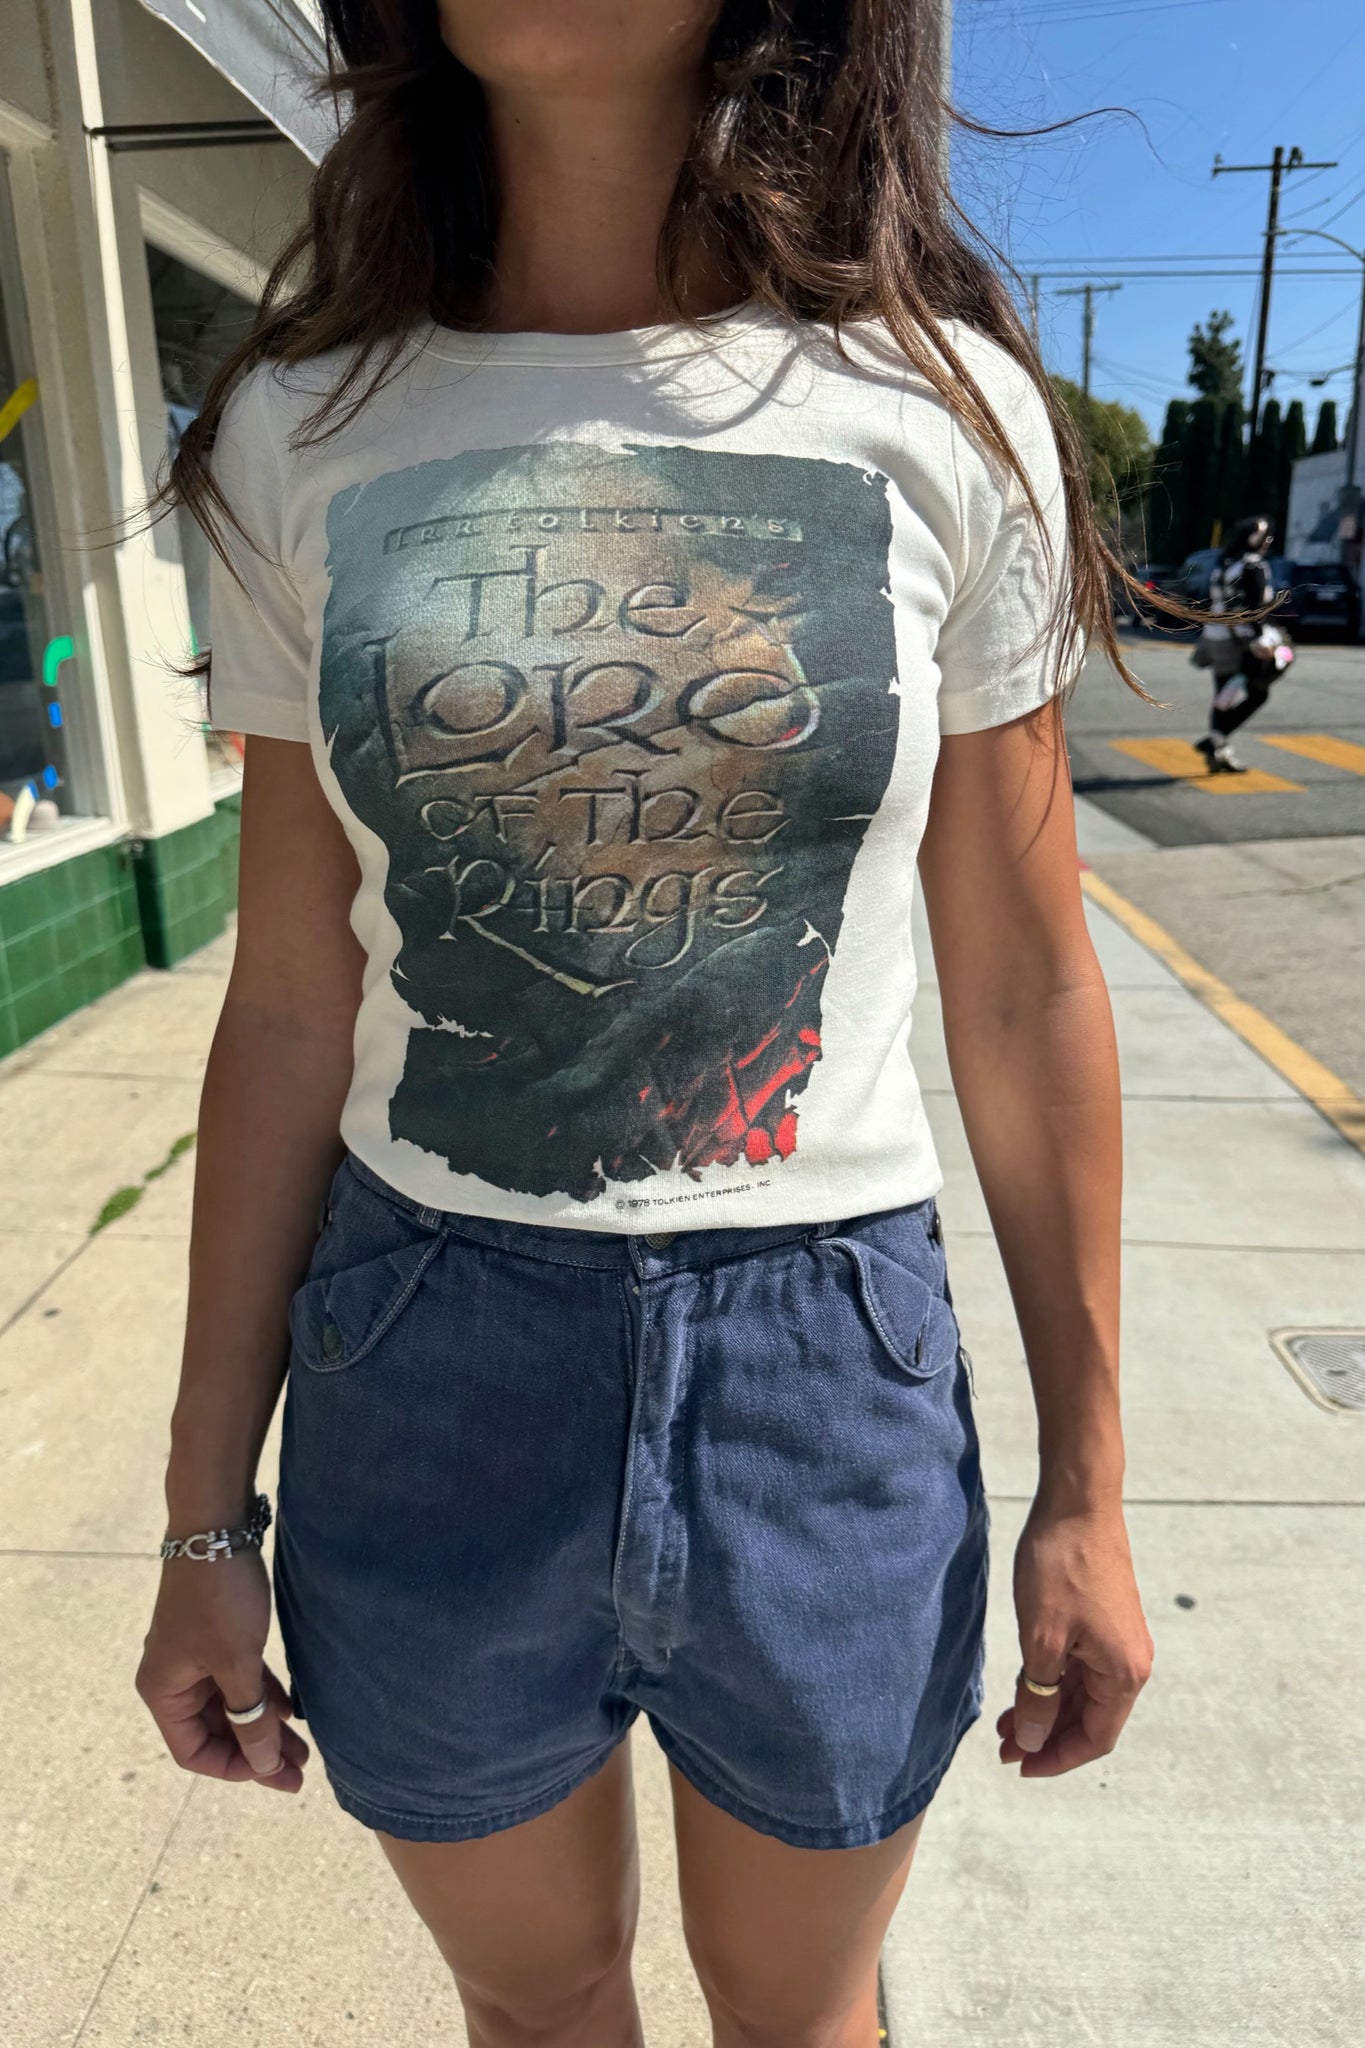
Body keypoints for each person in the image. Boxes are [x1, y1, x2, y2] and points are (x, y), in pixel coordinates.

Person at [135, 5, 1154, 2043]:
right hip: (428, 1357)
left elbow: (1026, 981)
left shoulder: (946, 414)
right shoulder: (305, 430)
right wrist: (201, 1512)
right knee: (539, 2006)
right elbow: (290, 1003)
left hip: (824, 1372)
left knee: (802, 2016)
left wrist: (1088, 1484)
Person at [1195, 514, 1292, 774]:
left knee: (1223, 695)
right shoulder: (1252, 565)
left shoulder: (1224, 562)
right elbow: (1255, 608)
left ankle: (1219, 749)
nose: (1267, 540)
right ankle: (1217, 740)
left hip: (1216, 635)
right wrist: (1259, 638)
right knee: (1259, 691)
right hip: (1241, 640)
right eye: (1262, 535)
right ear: (1250, 537)